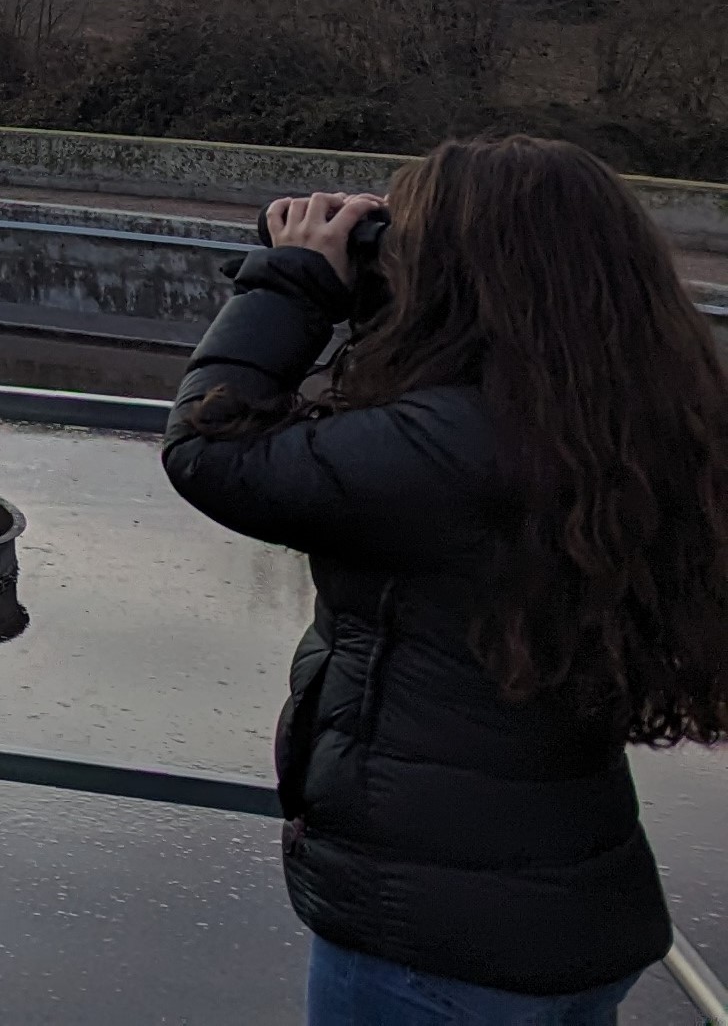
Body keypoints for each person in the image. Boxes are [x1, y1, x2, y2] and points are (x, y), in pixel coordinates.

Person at [163, 135, 728, 1024]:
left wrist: (292, 283)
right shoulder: (637, 418)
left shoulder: (453, 445)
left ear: (462, 278)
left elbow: (210, 451)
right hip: (575, 916)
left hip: (434, 946)